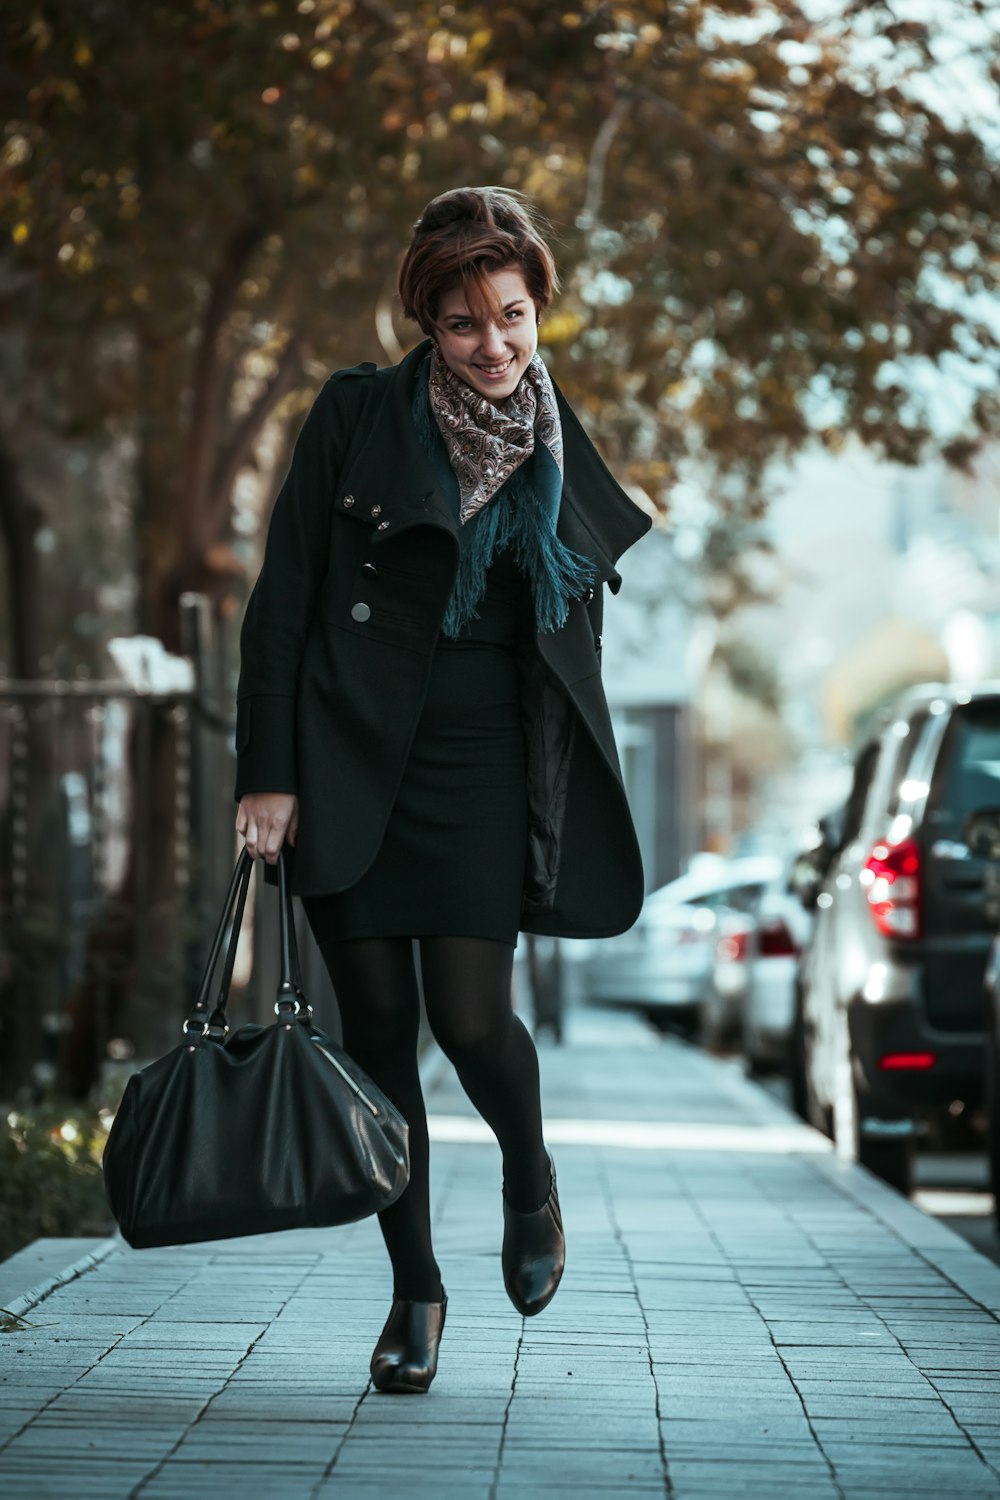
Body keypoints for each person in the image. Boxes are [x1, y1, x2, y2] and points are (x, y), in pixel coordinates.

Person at [234, 186, 650, 1394]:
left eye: (512, 316)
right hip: (352, 750)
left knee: (469, 1020)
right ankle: (414, 1291)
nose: (493, 344)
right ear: (428, 319)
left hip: (481, 761)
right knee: (376, 1046)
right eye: (464, 322)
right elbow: (283, 601)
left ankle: (530, 1177)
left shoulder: (559, 436)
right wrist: (268, 773)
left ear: (538, 311)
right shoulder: (357, 415)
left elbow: (573, 625)